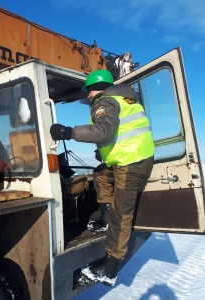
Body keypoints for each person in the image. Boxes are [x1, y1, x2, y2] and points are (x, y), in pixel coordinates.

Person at [50, 69, 154, 286]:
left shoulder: (104, 101)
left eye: (90, 90)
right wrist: (103, 153)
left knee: (121, 214)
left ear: (100, 88)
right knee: (100, 174)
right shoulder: (125, 99)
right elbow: (121, 134)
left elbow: (103, 132)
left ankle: (109, 269)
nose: (88, 95)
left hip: (130, 164)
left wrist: (67, 132)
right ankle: (105, 219)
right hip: (134, 158)